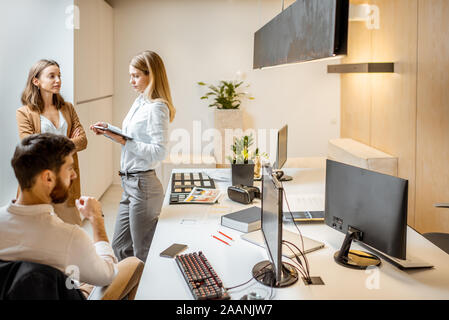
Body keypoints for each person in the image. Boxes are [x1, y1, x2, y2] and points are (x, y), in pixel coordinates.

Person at [0, 133, 117, 291]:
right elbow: (107, 275)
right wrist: (97, 220)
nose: (74, 175)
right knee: (130, 264)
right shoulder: (70, 237)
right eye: (69, 168)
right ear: (48, 178)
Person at [91, 50, 176, 263]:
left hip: (143, 186)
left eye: (136, 75)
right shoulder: (140, 101)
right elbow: (132, 138)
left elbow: (159, 152)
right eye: (130, 75)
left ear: (152, 75)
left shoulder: (157, 107)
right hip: (129, 183)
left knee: (143, 251)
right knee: (120, 247)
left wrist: (123, 141)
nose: (131, 81)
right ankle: (129, 292)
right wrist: (110, 130)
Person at [16, 59, 87, 226]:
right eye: (52, 76)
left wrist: (47, 144)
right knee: (37, 235)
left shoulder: (67, 108)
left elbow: (83, 141)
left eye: (59, 76)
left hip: (67, 182)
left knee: (72, 229)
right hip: (38, 183)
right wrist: (68, 142)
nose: (58, 80)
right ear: (36, 81)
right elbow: (31, 147)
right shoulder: (24, 113)